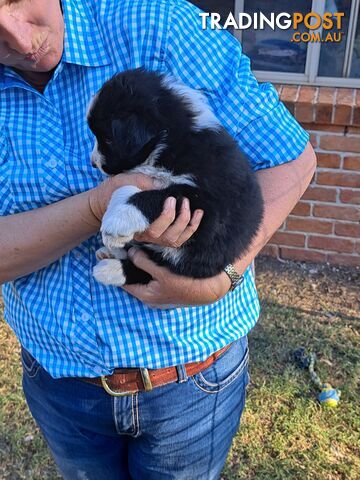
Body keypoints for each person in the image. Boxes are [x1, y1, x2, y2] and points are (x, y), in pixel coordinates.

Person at [0, 0, 317, 478]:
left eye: (15, 0)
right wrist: (96, 207)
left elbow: (290, 160)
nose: (20, 39)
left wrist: (219, 276)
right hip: (60, 382)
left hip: (191, 378)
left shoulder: (158, 23)